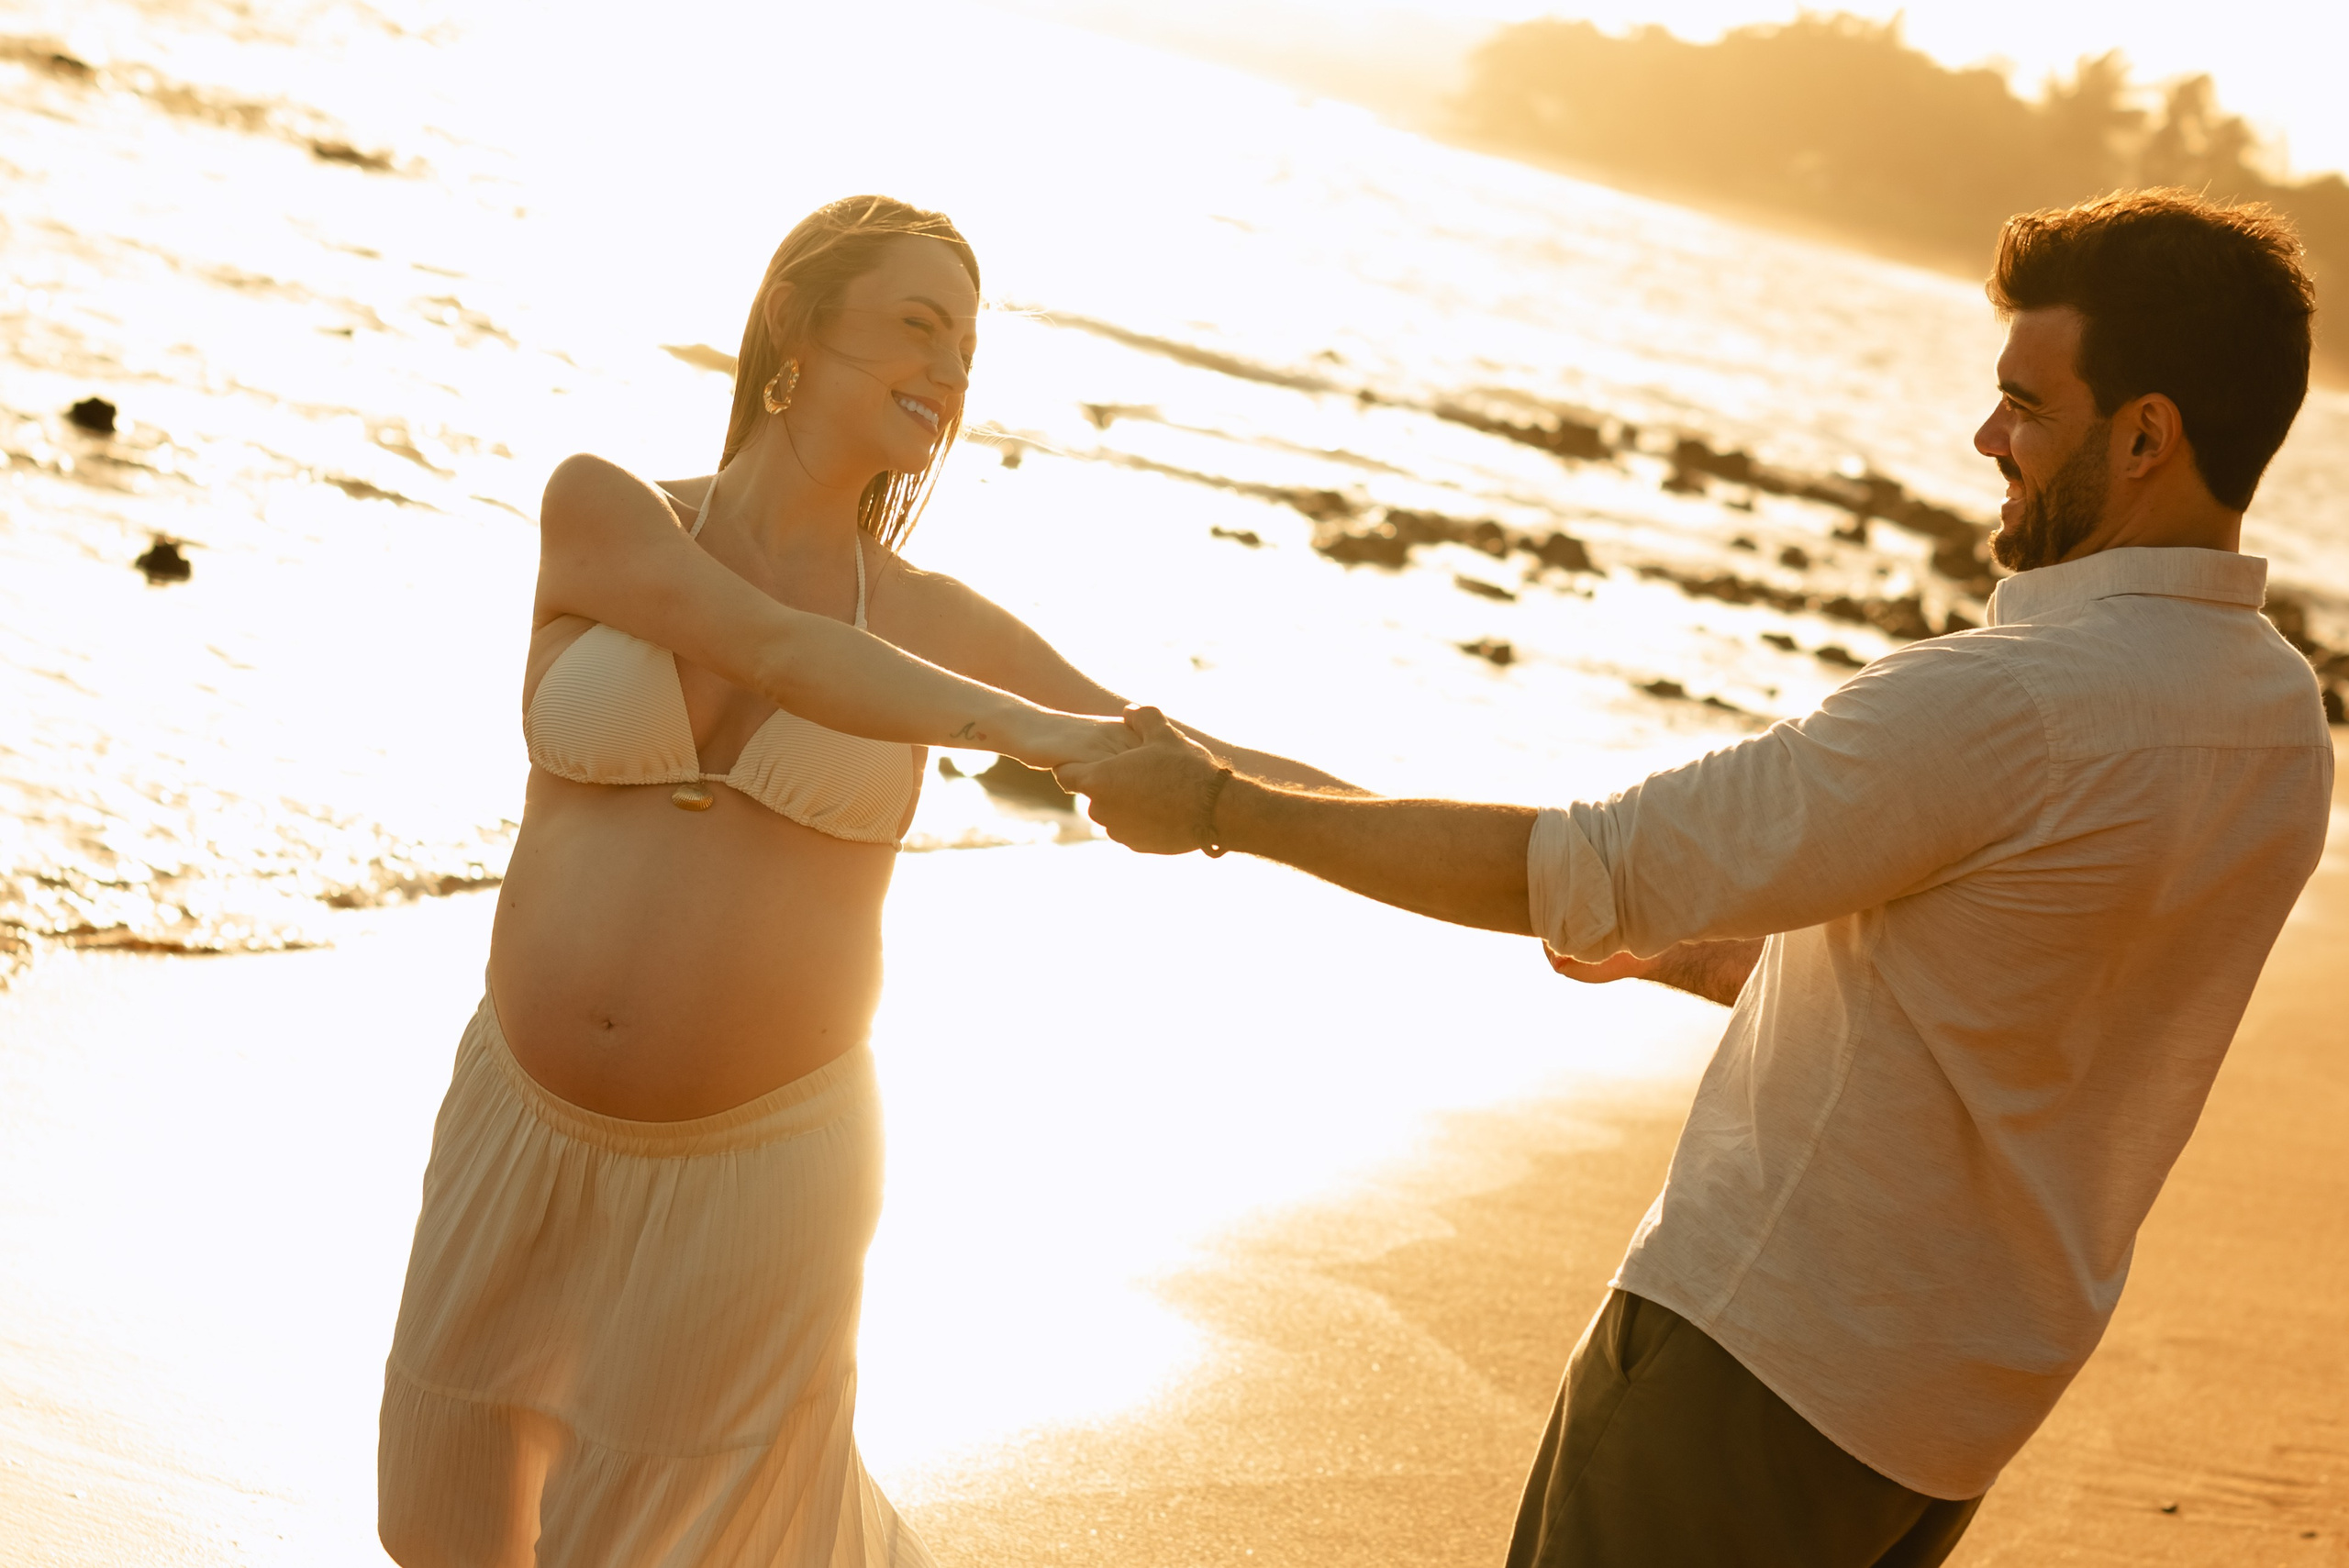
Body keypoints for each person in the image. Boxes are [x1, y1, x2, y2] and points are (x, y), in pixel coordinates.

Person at [1059, 189, 2333, 1566]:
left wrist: (1220, 806)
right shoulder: (2278, 728)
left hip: (1757, 1365)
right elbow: (2042, 990)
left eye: (2025, 403)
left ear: (2146, 434)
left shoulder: (2005, 704)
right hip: (1949, 1421)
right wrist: (1719, 957)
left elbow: (1585, 861)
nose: (1987, 439)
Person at [377, 195, 1344, 1567]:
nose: (952, 370)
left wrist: (1553, 868)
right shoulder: (605, 510)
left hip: (761, 1172)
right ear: (795, 322)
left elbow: (1192, 761)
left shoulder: (931, 624)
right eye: (917, 323)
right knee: (439, 1534)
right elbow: (771, 644)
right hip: (515, 1130)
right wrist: (1044, 739)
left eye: (969, 345)